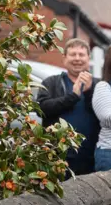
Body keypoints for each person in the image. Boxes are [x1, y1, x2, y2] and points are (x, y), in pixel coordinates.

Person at [36, 38, 99, 179]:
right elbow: (42, 109)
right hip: (57, 155)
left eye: (81, 55)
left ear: (88, 58)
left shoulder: (99, 84)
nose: (77, 59)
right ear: (64, 58)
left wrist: (89, 92)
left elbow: (104, 115)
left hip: (90, 158)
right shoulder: (51, 83)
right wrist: (73, 97)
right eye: (73, 54)